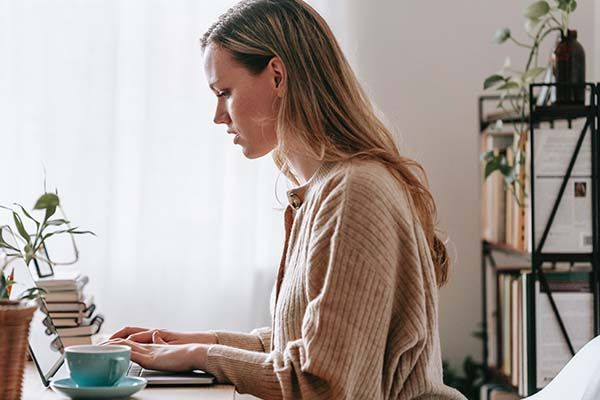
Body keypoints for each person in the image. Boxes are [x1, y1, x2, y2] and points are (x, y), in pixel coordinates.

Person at [106, 1, 466, 399]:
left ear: (277, 75)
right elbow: (296, 344)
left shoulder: (355, 191)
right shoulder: (324, 189)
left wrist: (203, 354)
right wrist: (186, 343)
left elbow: (321, 383)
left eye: (224, 92)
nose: (218, 116)